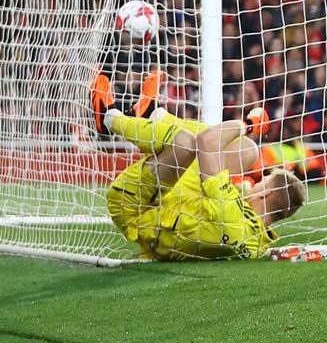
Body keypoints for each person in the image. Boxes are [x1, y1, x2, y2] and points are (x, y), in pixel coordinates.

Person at [94, 88, 303, 261]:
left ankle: (110, 119)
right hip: (176, 205)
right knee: (246, 151)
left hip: (136, 208)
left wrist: (250, 124)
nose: (255, 182)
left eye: (261, 182)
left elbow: (208, 140)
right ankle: (156, 115)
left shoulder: (229, 211)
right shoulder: (258, 242)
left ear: (265, 194)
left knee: (188, 143)